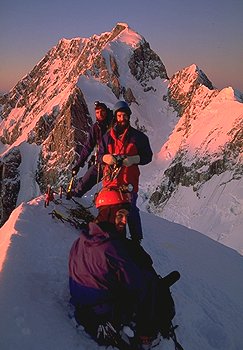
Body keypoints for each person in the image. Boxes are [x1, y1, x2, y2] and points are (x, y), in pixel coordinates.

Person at [69, 188, 180, 350]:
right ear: (108, 213)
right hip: (105, 319)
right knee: (149, 282)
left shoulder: (82, 239)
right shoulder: (111, 248)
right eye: (119, 215)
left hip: (83, 312)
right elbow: (139, 287)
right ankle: (147, 335)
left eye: (125, 217)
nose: (123, 221)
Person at [99, 100, 153, 243]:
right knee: (109, 210)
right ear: (115, 117)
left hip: (128, 181)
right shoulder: (107, 137)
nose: (122, 119)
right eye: (119, 116)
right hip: (111, 182)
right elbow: (99, 156)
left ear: (129, 116)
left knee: (131, 210)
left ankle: (136, 240)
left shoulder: (138, 137)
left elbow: (148, 156)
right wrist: (106, 158)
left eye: (124, 116)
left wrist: (134, 159)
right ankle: (110, 236)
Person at [69, 101, 113, 198]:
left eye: (102, 111)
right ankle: (75, 197)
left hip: (114, 162)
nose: (100, 114)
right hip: (101, 162)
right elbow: (88, 147)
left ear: (106, 111)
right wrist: (79, 164)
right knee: (85, 182)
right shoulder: (96, 128)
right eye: (97, 112)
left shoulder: (114, 126)